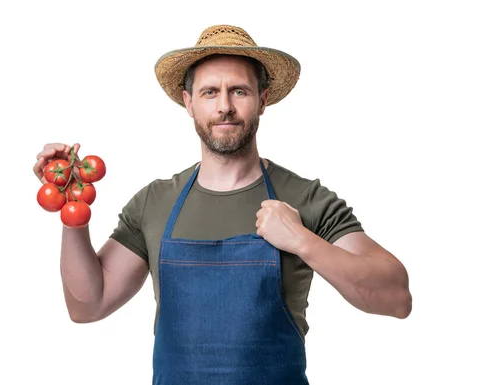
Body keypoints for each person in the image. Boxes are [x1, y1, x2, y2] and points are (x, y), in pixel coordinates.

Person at [33, 24, 412, 384]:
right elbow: (87, 306)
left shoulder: (305, 198)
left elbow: (396, 297)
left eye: (240, 91)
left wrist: (302, 241)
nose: (225, 106)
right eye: (210, 92)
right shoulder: (155, 202)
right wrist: (72, 213)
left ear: (263, 100)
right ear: (189, 103)